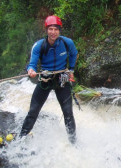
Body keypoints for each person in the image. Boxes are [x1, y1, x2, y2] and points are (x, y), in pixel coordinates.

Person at [20, 15, 78, 144]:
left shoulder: (67, 43)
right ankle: (21, 139)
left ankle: (73, 142)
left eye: (56, 29)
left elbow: (74, 54)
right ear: (46, 30)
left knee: (68, 112)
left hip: (62, 80)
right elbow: (32, 63)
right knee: (33, 110)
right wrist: (31, 70)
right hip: (45, 80)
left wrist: (72, 69)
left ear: (59, 30)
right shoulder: (39, 46)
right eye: (50, 29)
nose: (53, 32)